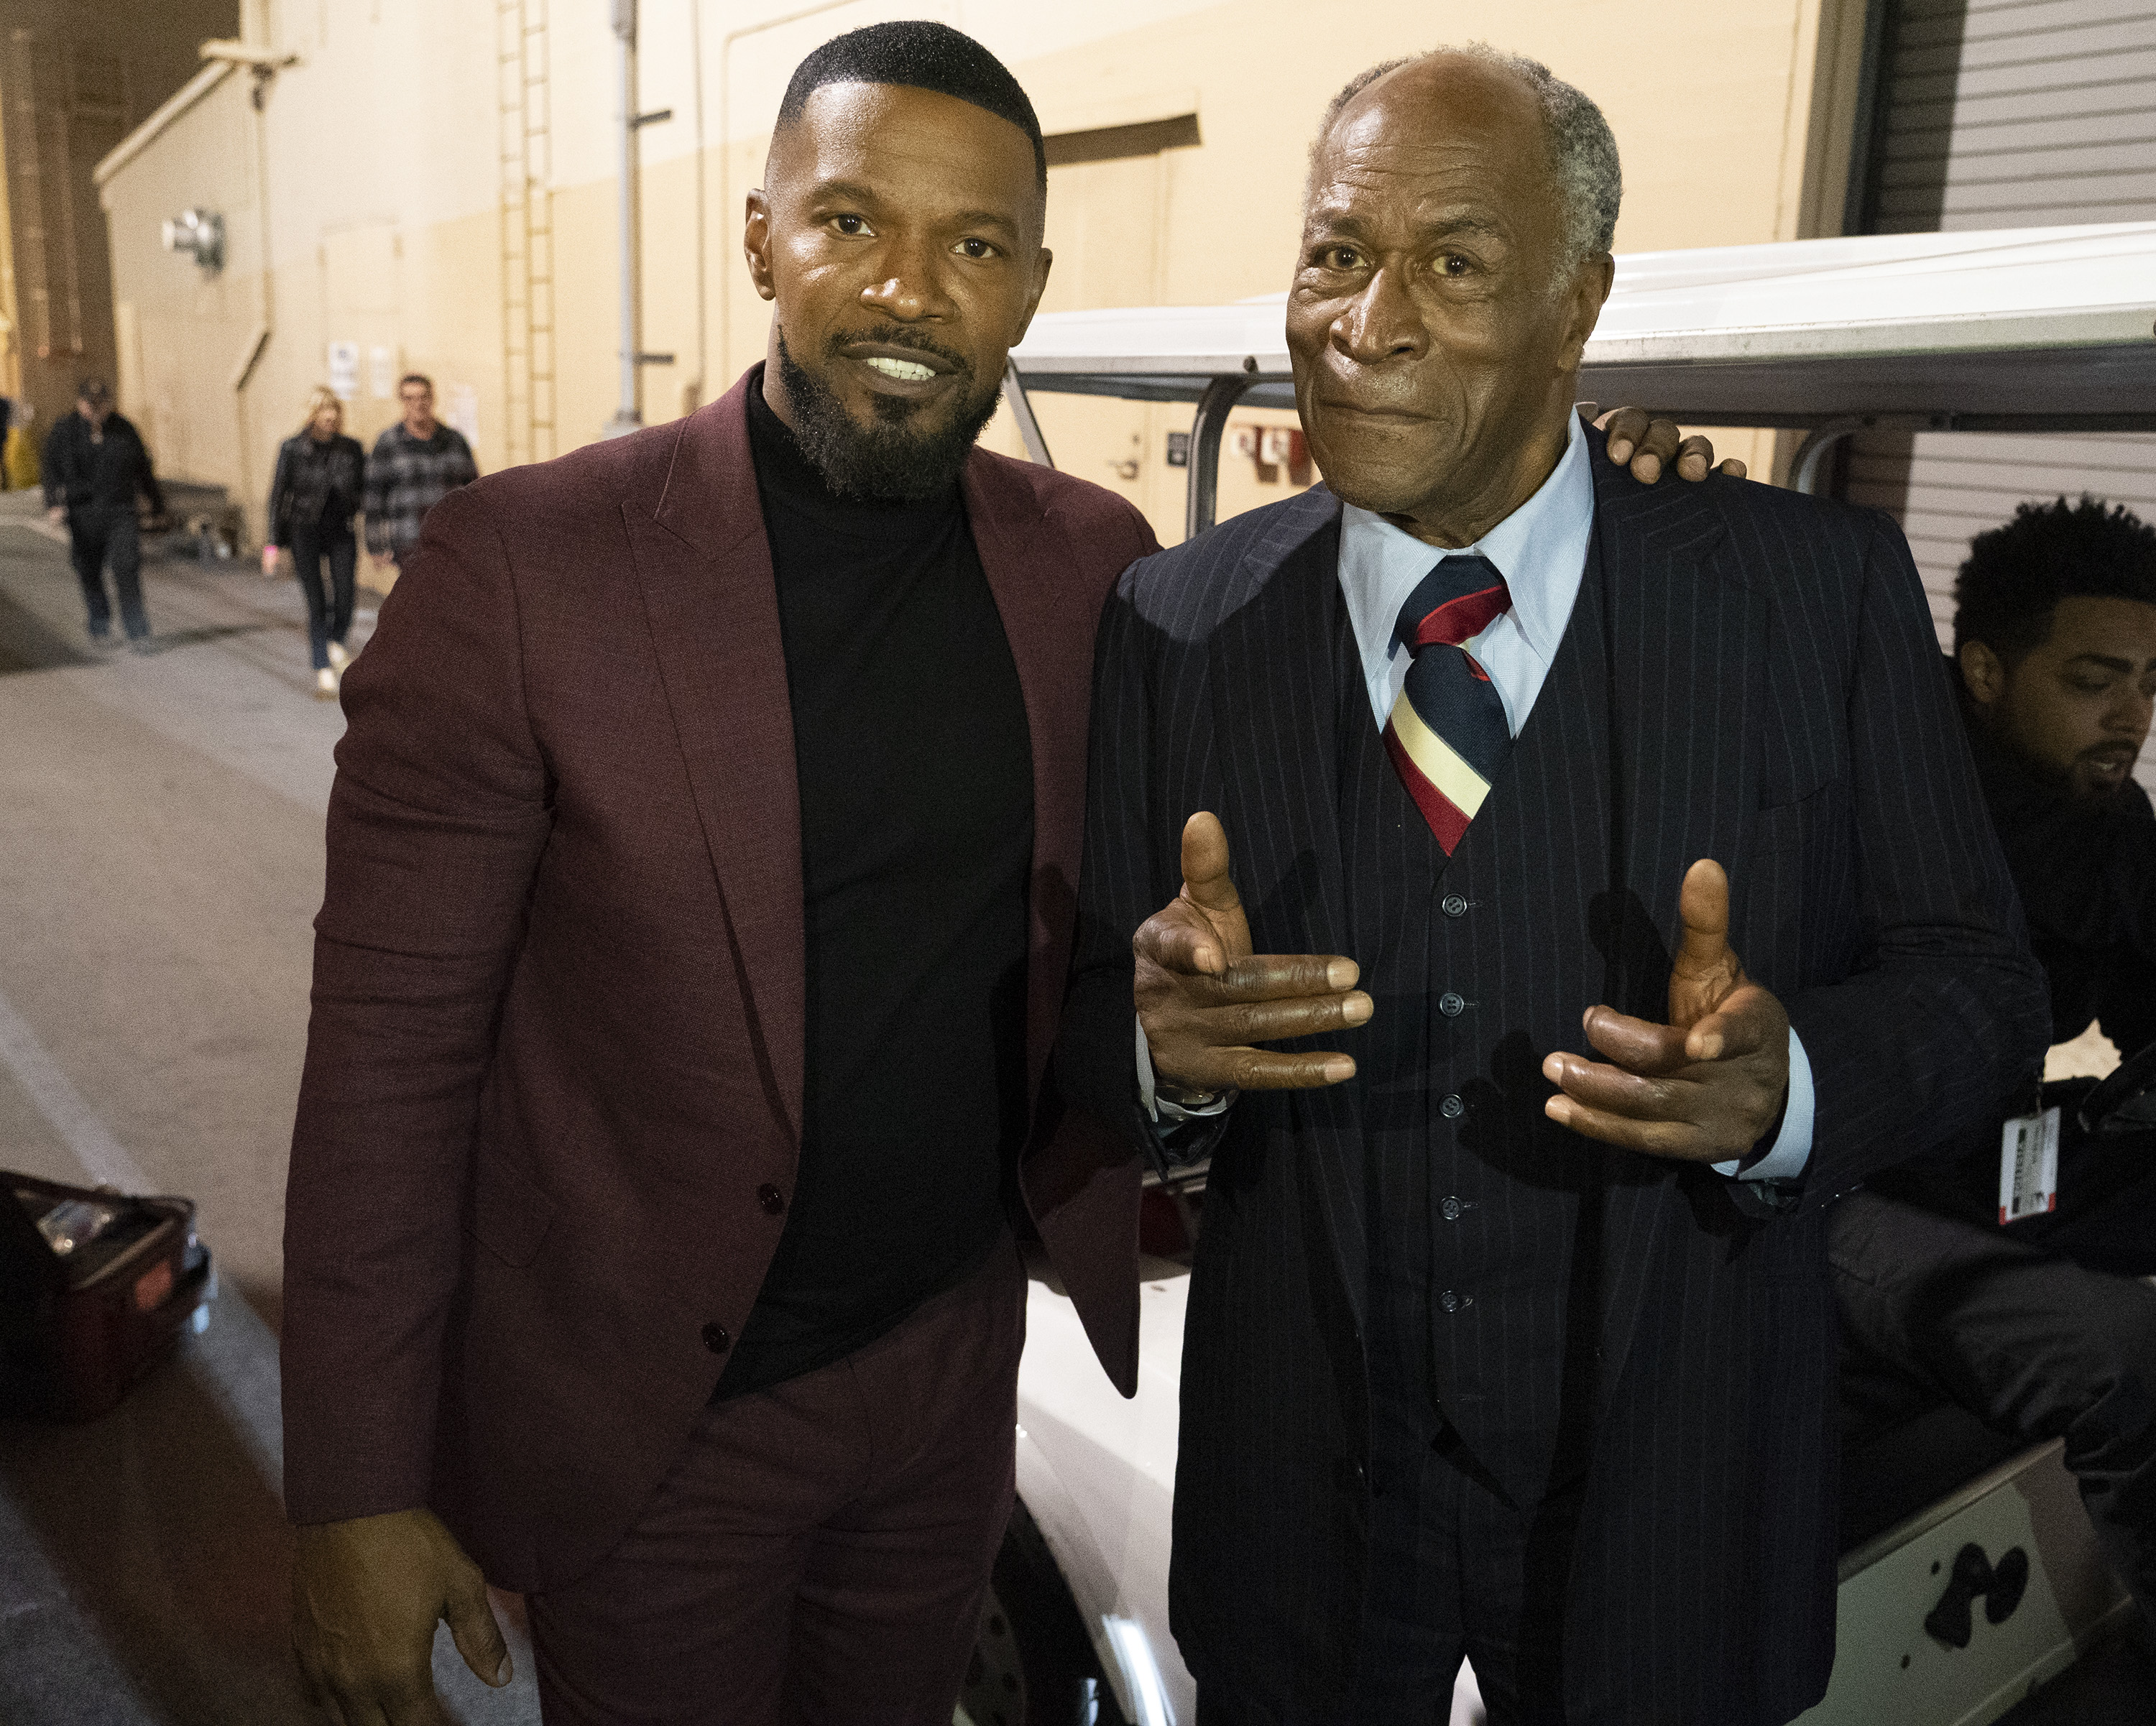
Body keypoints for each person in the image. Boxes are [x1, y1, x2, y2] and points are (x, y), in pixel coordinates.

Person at [281, 24, 1725, 1726]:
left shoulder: (1086, 565)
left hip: (952, 1381)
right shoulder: (526, 569)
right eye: (847, 224)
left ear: (1029, 284)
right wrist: (353, 1487)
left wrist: (1586, 488)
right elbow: (389, 1056)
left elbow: (1361, 654)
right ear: (760, 237)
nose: (906, 289)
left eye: (971, 246)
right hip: (659, 1424)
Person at [1055, 46, 2050, 1725]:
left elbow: (1984, 993)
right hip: (1304, 1524)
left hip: (1671, 1512)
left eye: (1451, 264)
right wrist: (1151, 1049)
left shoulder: (1812, 598)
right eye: (1330, 252)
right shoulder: (1175, 623)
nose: (1360, 321)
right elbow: (1078, 1039)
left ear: (1577, 303)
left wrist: (1787, 1086)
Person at [1835, 494, 2156, 1625]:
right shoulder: (1870, 790)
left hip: (1994, 1156)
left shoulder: (2102, 815)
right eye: (2092, 680)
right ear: (1982, 670)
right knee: (2125, 1357)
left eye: (2149, 684)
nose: (2131, 716)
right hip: (1839, 1193)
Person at [42, 378, 166, 651]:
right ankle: (100, 625)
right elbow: (50, 471)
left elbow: (143, 470)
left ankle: (138, 632)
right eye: (91, 404)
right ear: (80, 403)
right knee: (89, 571)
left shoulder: (124, 430)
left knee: (126, 568)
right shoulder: (65, 431)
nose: (97, 409)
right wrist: (53, 504)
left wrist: (158, 506)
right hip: (83, 512)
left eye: (102, 404)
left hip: (120, 510)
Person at [266, 387, 367, 698]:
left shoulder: (351, 449)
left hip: (340, 529)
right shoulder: (293, 448)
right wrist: (272, 545)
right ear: (312, 414)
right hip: (304, 530)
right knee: (316, 602)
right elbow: (278, 496)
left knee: (347, 595)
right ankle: (322, 666)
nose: (331, 415)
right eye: (324, 409)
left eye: (335, 409)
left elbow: (365, 490)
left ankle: (337, 641)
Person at [361, 371, 476, 570]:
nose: (418, 403)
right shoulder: (388, 443)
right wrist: (376, 546)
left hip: (450, 541)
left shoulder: (454, 441)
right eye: (410, 398)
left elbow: (473, 491)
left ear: (433, 399)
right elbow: (373, 499)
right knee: (419, 599)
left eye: (424, 397)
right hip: (408, 542)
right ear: (402, 401)